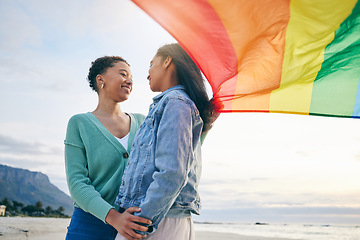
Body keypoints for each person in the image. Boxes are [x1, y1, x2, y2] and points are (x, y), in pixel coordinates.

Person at [114, 43, 215, 240]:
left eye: (151, 64)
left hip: (158, 220)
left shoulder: (176, 103)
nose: (148, 73)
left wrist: (143, 219)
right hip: (160, 217)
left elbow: (173, 172)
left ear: (168, 61)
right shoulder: (171, 104)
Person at [64, 56, 151, 240]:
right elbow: (77, 183)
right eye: (123, 74)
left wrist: (205, 126)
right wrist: (114, 217)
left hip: (134, 225)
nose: (129, 80)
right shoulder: (79, 123)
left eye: (131, 77)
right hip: (89, 225)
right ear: (100, 79)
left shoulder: (143, 121)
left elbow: (173, 157)